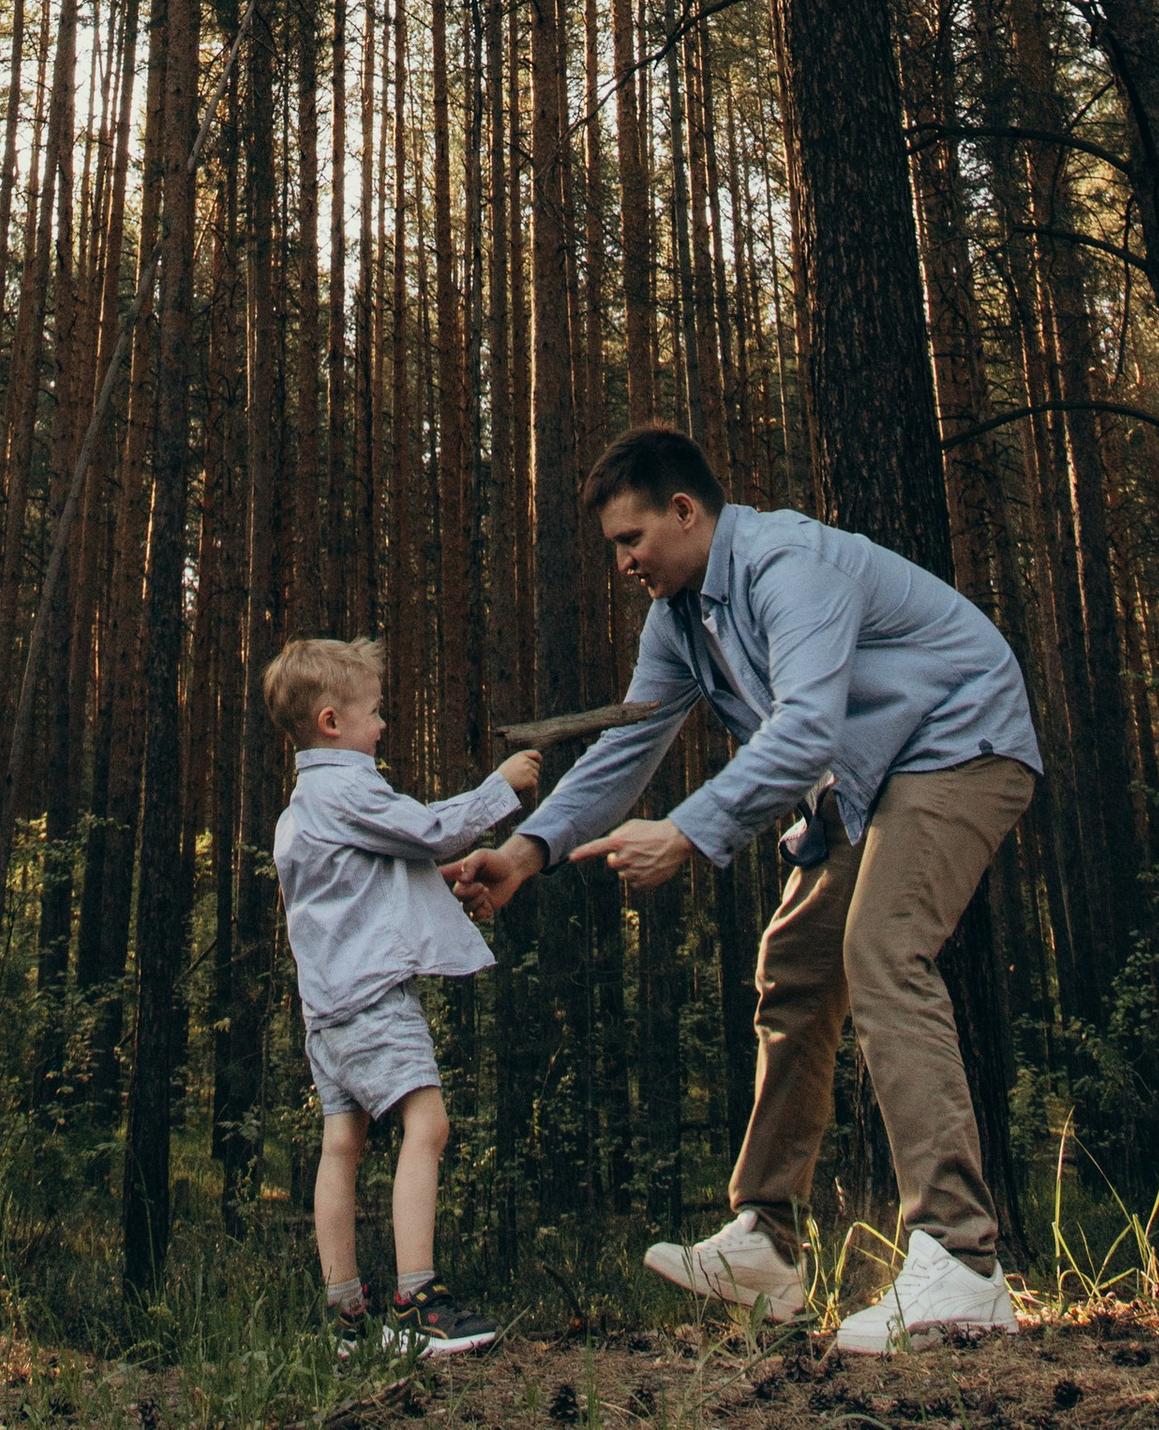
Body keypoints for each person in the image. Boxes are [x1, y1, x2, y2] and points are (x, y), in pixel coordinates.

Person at [446, 426, 1039, 1355]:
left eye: (631, 539)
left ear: (686, 512)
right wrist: (527, 854)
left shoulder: (785, 566)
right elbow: (628, 747)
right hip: (875, 776)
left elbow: (803, 728)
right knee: (797, 966)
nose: (624, 562)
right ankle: (766, 1241)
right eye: (614, 547)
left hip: (963, 739)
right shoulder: (679, 618)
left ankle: (962, 1262)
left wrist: (687, 832)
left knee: (882, 951)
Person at [265, 632, 539, 1359]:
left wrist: (433, 883)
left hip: (325, 1011)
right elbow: (427, 829)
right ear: (332, 723)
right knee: (429, 1124)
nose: (383, 725)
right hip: (372, 999)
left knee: (342, 1143)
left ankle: (342, 1315)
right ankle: (418, 1298)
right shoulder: (346, 786)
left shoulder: (301, 810)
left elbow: (361, 885)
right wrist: (501, 788)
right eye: (374, 713)